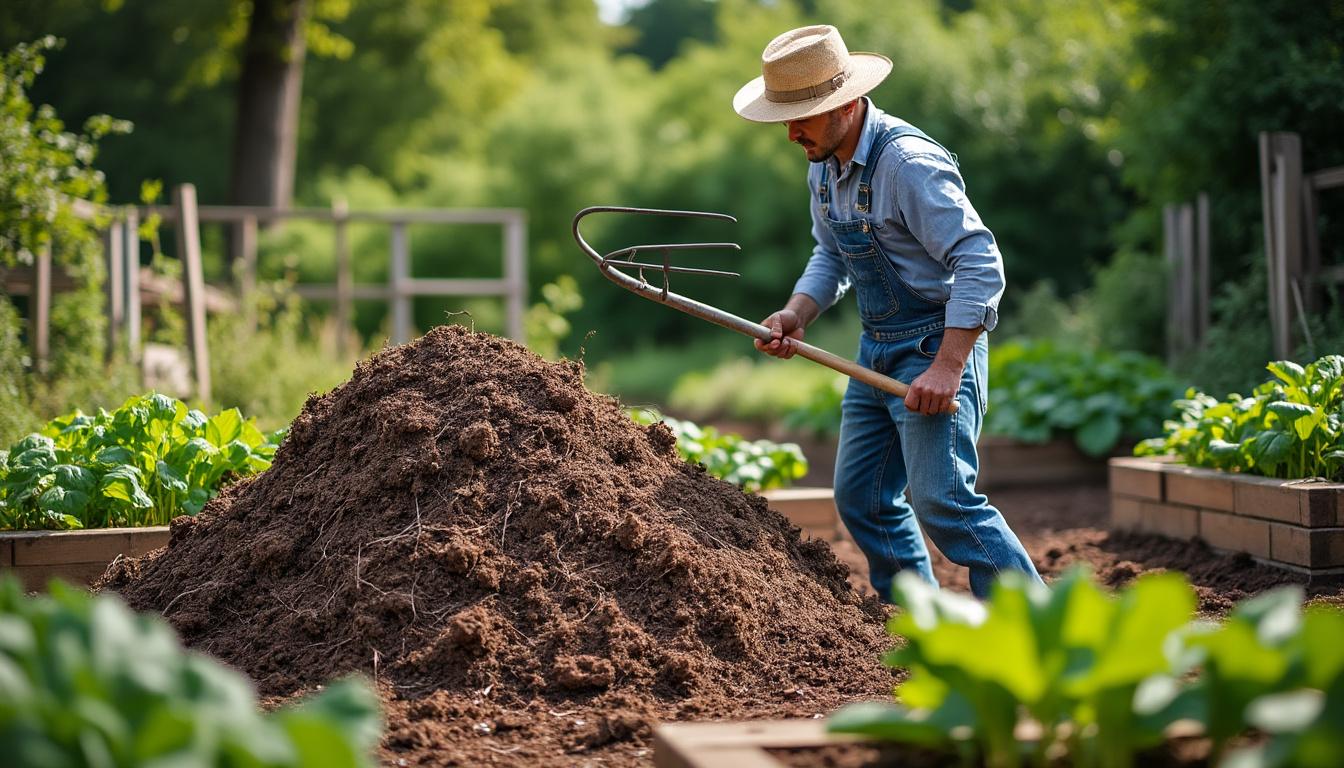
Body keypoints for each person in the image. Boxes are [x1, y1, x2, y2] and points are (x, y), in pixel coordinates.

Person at [733, 25, 1041, 599]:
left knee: (944, 502)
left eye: (803, 116)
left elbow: (980, 259)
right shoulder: (821, 164)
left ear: (845, 104)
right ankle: (919, 617)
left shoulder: (907, 164)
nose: (791, 132)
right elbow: (831, 253)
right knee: (863, 500)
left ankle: (1040, 631)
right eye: (785, 117)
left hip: (934, 347)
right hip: (876, 347)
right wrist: (798, 311)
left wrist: (949, 367)